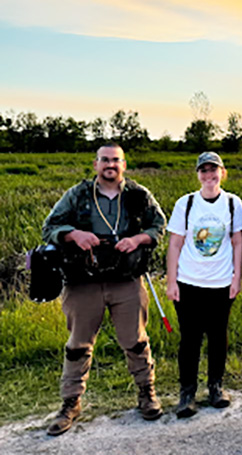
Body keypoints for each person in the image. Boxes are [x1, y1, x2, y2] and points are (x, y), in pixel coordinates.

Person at [41, 143, 166, 436]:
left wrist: (138, 240)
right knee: (77, 344)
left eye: (116, 160)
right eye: (104, 160)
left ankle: (146, 394)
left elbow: (158, 226)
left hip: (126, 280)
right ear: (96, 164)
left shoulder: (138, 194)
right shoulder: (77, 194)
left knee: (135, 340)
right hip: (82, 280)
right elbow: (50, 226)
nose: (110, 165)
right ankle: (70, 403)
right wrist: (73, 234)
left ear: (124, 165)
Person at [165, 152, 242, 418]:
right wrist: (171, 281)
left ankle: (215, 387)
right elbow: (175, 243)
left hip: (221, 283)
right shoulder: (186, 204)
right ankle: (187, 392)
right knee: (189, 339)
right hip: (188, 282)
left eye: (214, 170)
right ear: (198, 174)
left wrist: (237, 277)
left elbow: (237, 242)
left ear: (222, 173)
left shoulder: (233, 204)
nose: (209, 175)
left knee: (217, 336)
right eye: (204, 171)